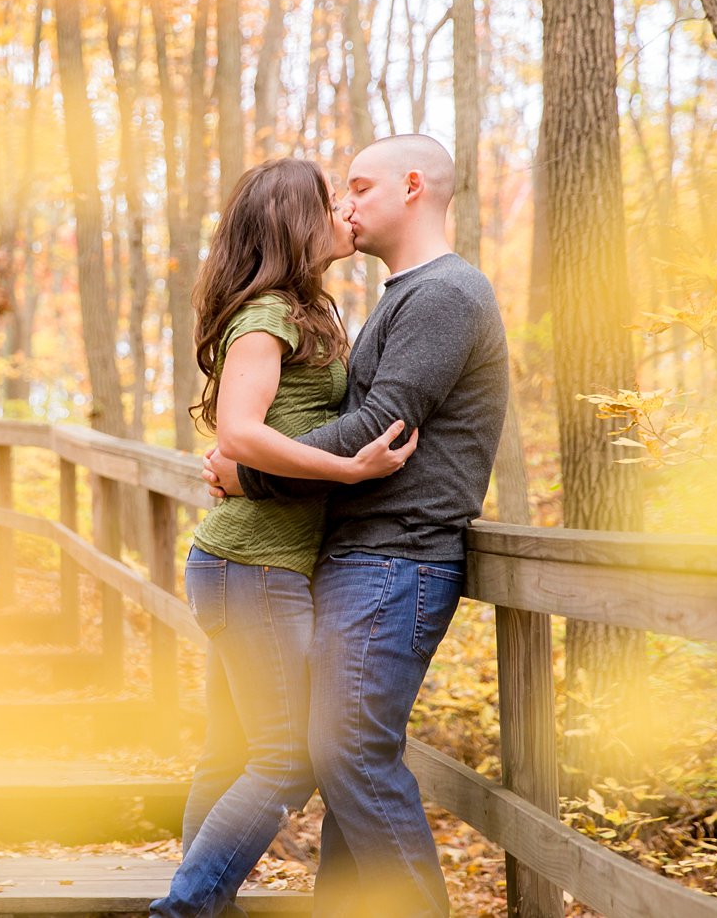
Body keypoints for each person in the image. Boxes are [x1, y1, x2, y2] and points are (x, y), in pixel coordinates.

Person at [204, 135, 510, 917]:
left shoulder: (446, 293)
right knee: (338, 762)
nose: (345, 203)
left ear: (413, 187)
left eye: (360, 186)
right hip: (356, 554)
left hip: (398, 553)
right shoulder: (401, 294)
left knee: (351, 756)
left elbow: (380, 424)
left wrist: (250, 471)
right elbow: (340, 418)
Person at [150, 157, 418, 918]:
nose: (345, 213)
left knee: (234, 751)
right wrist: (349, 470)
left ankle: (199, 902)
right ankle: (185, 908)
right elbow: (237, 430)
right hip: (253, 567)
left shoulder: (302, 310)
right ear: (297, 224)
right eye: (331, 204)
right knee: (285, 756)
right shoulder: (267, 313)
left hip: (248, 566)